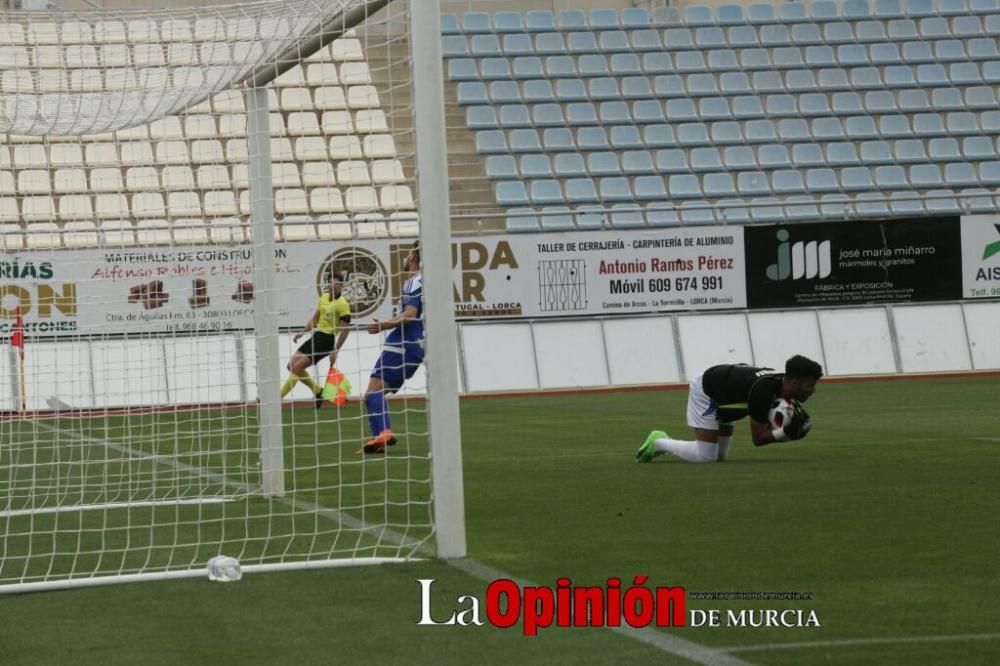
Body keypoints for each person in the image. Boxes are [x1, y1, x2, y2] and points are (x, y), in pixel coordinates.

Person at [635, 355, 823, 464]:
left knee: (720, 456)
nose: (813, 391)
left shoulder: (780, 386)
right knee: (706, 456)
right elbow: (758, 439)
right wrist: (786, 433)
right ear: (793, 382)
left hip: (728, 396)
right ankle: (659, 442)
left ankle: (661, 442)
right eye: (810, 385)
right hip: (708, 391)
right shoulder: (763, 392)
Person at [360, 241, 423, 454]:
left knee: (373, 392)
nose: (405, 257)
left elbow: (410, 315)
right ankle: (379, 439)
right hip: (408, 345)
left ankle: (385, 433)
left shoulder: (416, 282)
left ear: (414, 257)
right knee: (371, 394)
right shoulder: (414, 282)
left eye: (408, 253)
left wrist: (383, 325)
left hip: (403, 344)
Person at [280, 273, 351, 407]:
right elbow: (315, 318)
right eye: (330, 282)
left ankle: (275, 400)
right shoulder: (324, 297)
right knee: (290, 365)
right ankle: (318, 392)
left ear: (341, 286)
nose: (332, 285)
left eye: (335, 283)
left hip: (327, 341)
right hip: (317, 336)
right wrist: (302, 332)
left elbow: (345, 330)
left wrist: (336, 350)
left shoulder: (343, 304)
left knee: (297, 367)